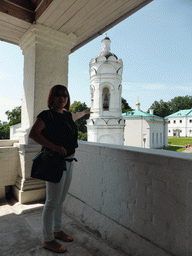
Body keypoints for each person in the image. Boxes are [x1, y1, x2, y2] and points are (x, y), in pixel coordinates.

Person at [29, 84, 91, 253]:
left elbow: (76, 115)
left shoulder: (67, 115)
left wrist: (86, 112)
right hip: (55, 162)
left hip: (69, 162)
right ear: (52, 98)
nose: (62, 98)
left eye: (65, 95)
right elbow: (34, 134)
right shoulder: (46, 115)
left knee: (60, 200)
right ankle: (48, 239)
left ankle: (57, 230)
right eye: (58, 95)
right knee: (51, 202)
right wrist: (54, 146)